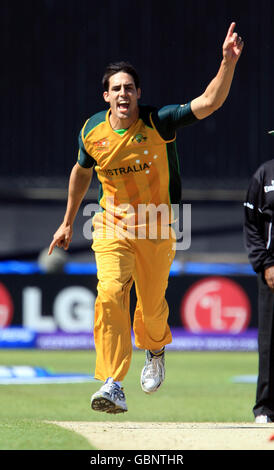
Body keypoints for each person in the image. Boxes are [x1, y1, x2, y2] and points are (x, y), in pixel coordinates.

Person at [48, 22, 243, 414]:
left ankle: (155, 349)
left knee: (151, 307)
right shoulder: (91, 131)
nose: (123, 93)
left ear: (139, 95)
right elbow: (81, 172)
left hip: (157, 224)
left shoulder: (158, 122)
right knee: (110, 293)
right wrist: (68, 220)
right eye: (116, 88)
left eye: (129, 88)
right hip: (110, 225)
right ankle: (112, 382)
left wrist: (227, 63)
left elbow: (209, 102)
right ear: (106, 95)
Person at [244, 130, 274, 424]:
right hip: (273, 270)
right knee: (269, 341)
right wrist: (265, 264)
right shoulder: (265, 174)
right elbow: (251, 225)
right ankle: (265, 408)